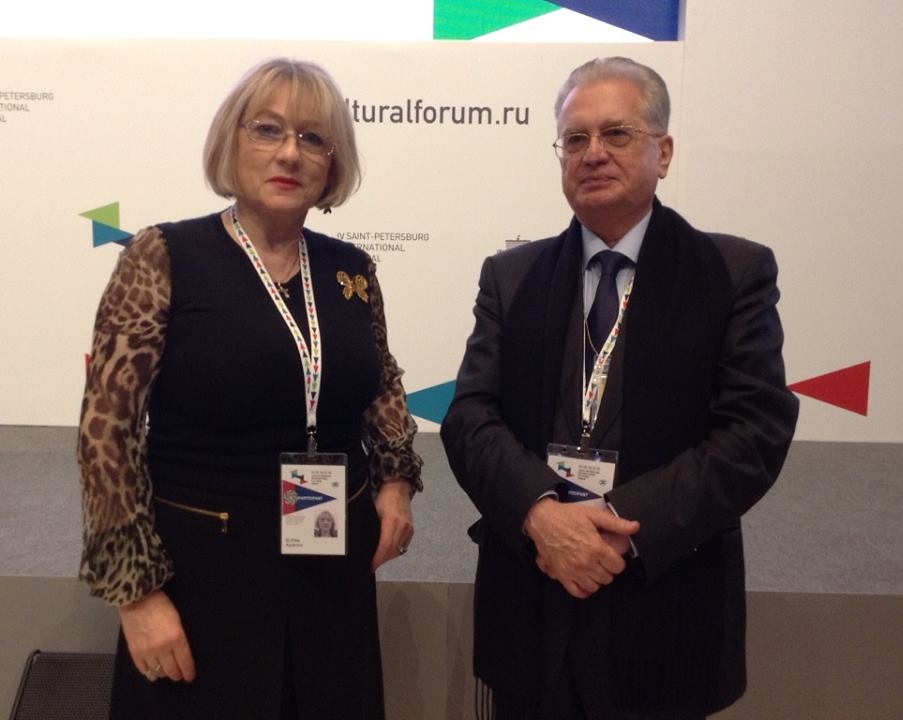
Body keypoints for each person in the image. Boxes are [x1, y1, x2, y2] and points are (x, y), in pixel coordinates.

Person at [441, 57, 799, 720]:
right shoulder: (511, 277)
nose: (593, 153)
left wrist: (619, 531)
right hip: (531, 601)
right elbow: (469, 418)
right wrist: (541, 516)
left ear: (664, 152)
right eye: (575, 138)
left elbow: (755, 432)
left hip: (667, 606)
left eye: (616, 133)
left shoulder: (732, 272)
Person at [77, 57, 422, 720]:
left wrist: (396, 481)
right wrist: (137, 595)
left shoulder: (351, 270)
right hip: (200, 584)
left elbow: (380, 385)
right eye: (267, 129)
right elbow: (106, 435)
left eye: (312, 137)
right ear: (232, 141)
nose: (290, 152)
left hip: (331, 576)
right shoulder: (163, 256)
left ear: (332, 162)